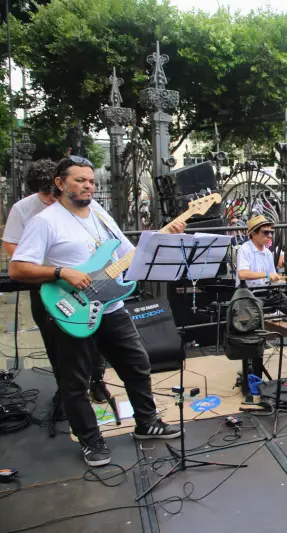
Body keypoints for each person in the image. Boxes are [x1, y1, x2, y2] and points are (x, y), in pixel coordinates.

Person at [9, 156, 186, 467]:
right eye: (79, 180)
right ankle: (92, 440)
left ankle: (147, 423)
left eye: (90, 180)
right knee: (75, 380)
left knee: (136, 362)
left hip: (110, 305)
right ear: (61, 184)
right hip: (71, 309)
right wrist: (61, 272)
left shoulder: (100, 215)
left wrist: (163, 235)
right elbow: (18, 268)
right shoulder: (46, 221)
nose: (88, 185)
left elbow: (125, 254)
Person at [2, 159, 112, 405]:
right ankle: (67, 390)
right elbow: (10, 244)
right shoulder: (23, 209)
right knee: (56, 341)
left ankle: (97, 380)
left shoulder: (85, 206)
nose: (52, 200)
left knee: (94, 331)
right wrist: (40, 260)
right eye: (46, 196)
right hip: (45, 283)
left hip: (84, 282)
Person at [235, 215, 287, 364]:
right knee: (255, 316)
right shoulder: (245, 249)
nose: (269, 236)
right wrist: (267, 275)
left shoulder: (268, 253)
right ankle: (253, 359)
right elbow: (242, 274)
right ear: (253, 233)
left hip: (267, 292)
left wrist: (281, 280)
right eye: (265, 232)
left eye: (271, 232)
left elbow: (271, 277)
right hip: (249, 294)